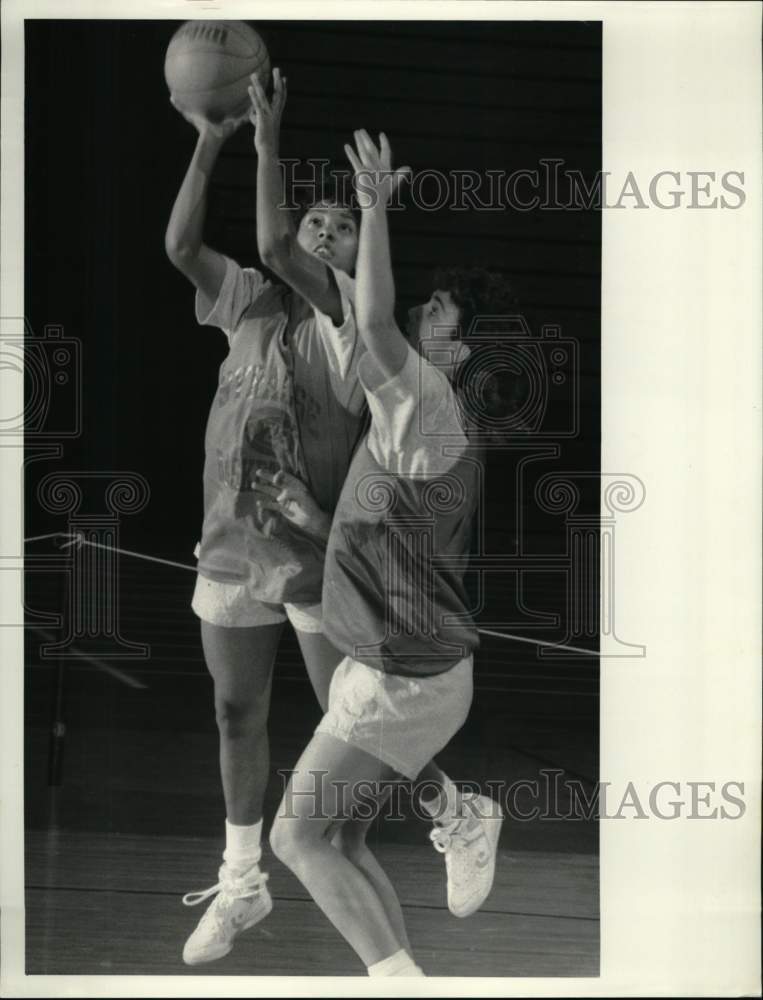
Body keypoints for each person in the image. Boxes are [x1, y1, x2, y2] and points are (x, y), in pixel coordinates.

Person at [267, 130, 516, 976]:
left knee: (296, 836)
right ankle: (404, 965)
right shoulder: (408, 405)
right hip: (403, 663)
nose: (426, 306)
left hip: (403, 675)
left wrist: (373, 205)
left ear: (459, 348)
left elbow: (369, 314)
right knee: (339, 836)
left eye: (444, 308)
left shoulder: (427, 397)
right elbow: (304, 271)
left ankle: (404, 967)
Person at [165, 69, 367, 965]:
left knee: (351, 718)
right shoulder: (249, 300)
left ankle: (446, 810)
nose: (322, 227)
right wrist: (209, 143)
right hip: (230, 546)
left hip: (313, 549)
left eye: (341, 222)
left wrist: (266, 138)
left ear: (361, 253)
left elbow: (278, 245)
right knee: (234, 712)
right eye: (315, 216)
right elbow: (179, 248)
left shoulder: (348, 315)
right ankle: (242, 878)